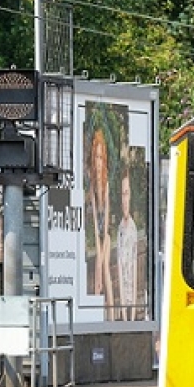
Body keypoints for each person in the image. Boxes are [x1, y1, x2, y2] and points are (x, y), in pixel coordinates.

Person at [87, 127, 115, 311]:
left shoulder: (106, 184)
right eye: (95, 157)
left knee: (103, 269)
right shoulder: (91, 185)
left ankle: (112, 315)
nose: (98, 163)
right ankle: (99, 309)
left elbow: (104, 228)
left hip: (106, 236)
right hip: (97, 236)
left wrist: (102, 247)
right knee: (100, 267)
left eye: (100, 158)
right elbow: (95, 228)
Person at [115, 168, 139, 321]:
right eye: (122, 194)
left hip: (130, 282)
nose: (125, 199)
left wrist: (131, 317)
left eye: (127, 194)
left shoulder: (132, 228)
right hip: (123, 282)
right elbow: (118, 264)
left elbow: (135, 267)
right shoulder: (120, 228)